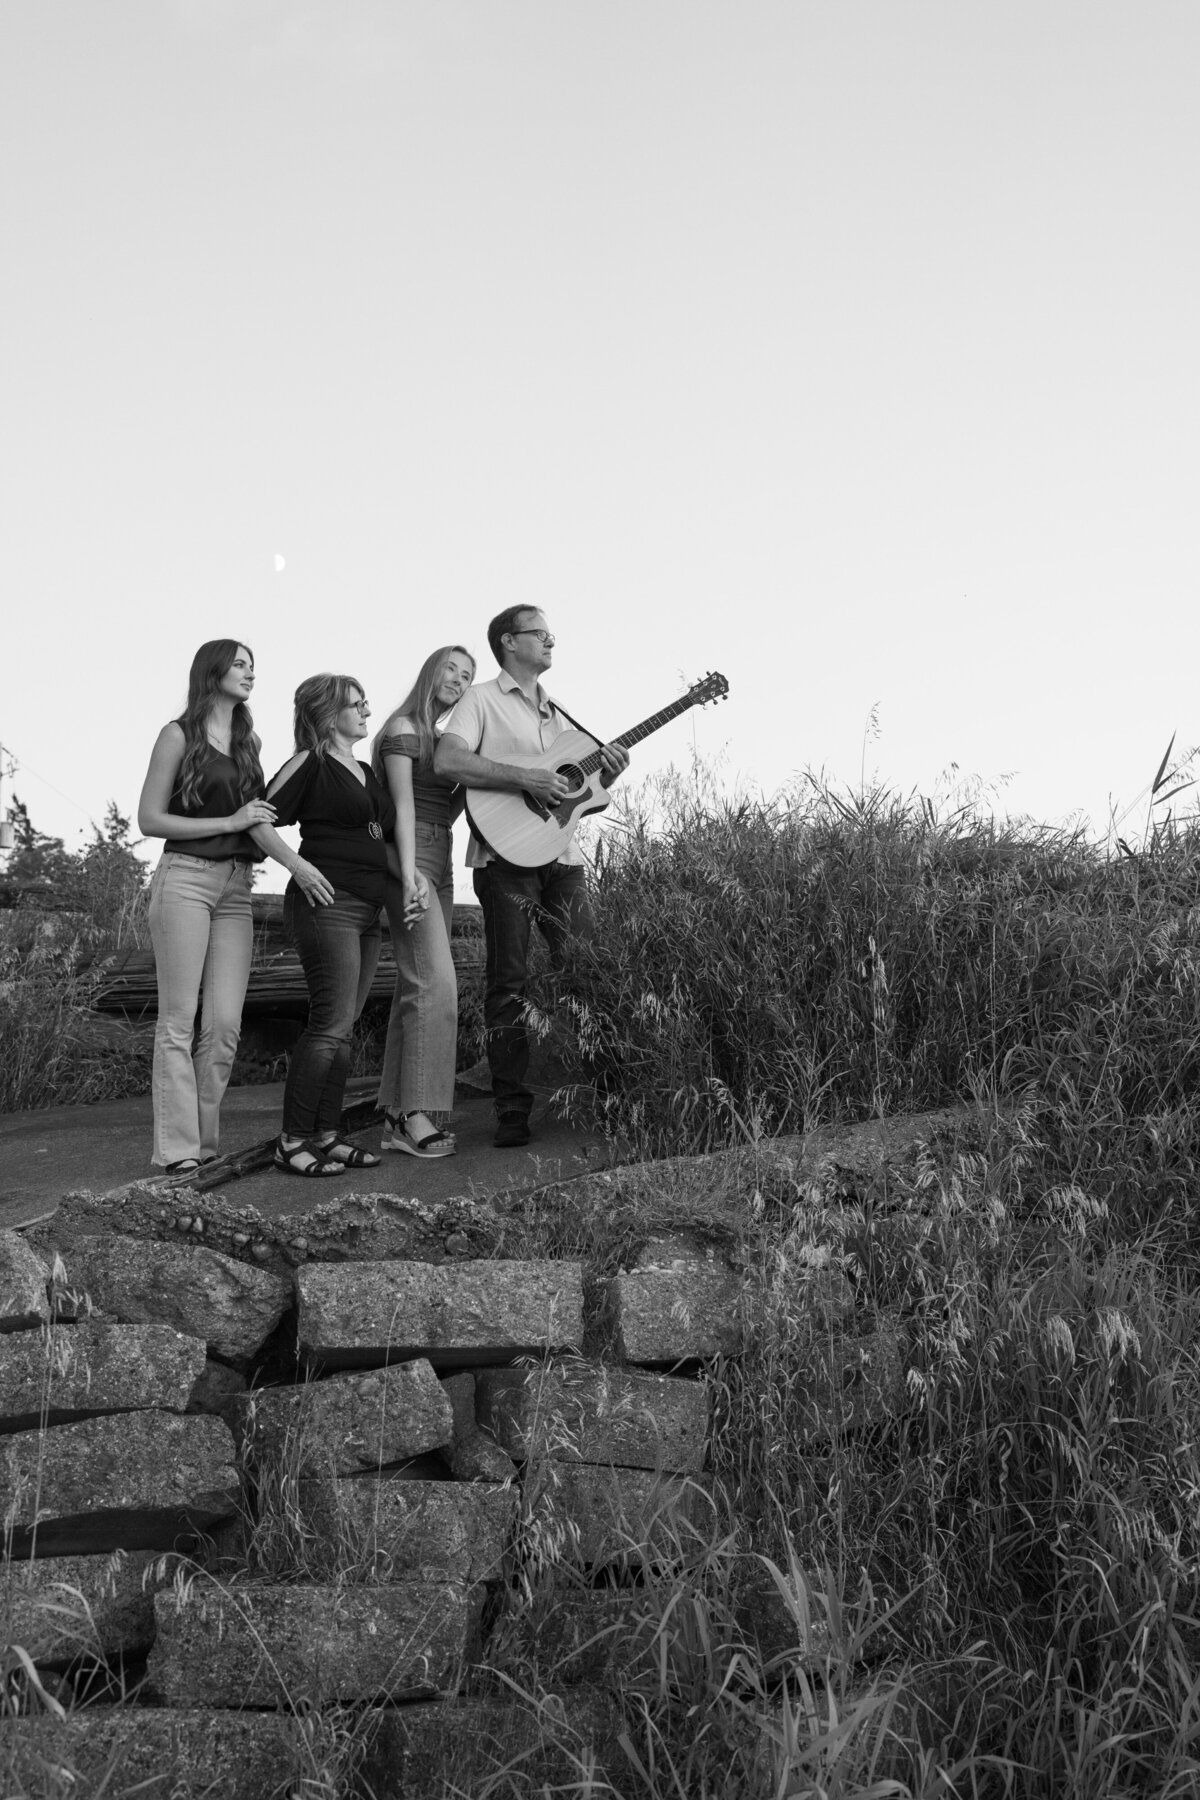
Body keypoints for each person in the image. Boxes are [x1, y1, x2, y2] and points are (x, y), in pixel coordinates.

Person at [433, 608, 629, 1147]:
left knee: (588, 974)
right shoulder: (481, 700)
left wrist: (607, 774)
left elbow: (576, 789)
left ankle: (613, 1097)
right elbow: (448, 761)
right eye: (540, 634)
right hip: (503, 859)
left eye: (551, 635)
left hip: (562, 859)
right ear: (509, 641)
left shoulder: (558, 714)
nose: (550, 642)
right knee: (509, 984)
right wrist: (527, 778)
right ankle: (512, 1112)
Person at [138, 639, 329, 1175]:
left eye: (253, 666)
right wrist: (229, 822)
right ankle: (177, 1151)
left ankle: (203, 1146)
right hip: (186, 880)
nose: (250, 673)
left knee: (223, 1025)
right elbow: (149, 818)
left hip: (237, 889)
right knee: (178, 1021)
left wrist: (296, 864)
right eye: (240, 664)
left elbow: (260, 818)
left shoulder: (249, 741)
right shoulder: (178, 735)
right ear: (213, 670)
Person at [254, 673, 407, 1177]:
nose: (367, 712)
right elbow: (257, 820)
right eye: (356, 704)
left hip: (368, 911)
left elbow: (382, 835)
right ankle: (292, 1140)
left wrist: (413, 882)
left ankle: (326, 1135)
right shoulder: (309, 762)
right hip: (327, 904)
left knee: (342, 1029)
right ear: (327, 713)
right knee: (329, 1025)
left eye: (366, 703)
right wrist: (298, 867)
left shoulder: (364, 770)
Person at [371, 645, 476, 1158]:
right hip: (409, 856)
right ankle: (417, 1112)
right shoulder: (404, 728)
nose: (458, 679)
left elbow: (444, 807)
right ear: (430, 671)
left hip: (442, 856)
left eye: (467, 676)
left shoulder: (440, 738)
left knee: (415, 986)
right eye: (451, 669)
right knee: (437, 984)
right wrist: (411, 873)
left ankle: (396, 1114)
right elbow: (403, 806)